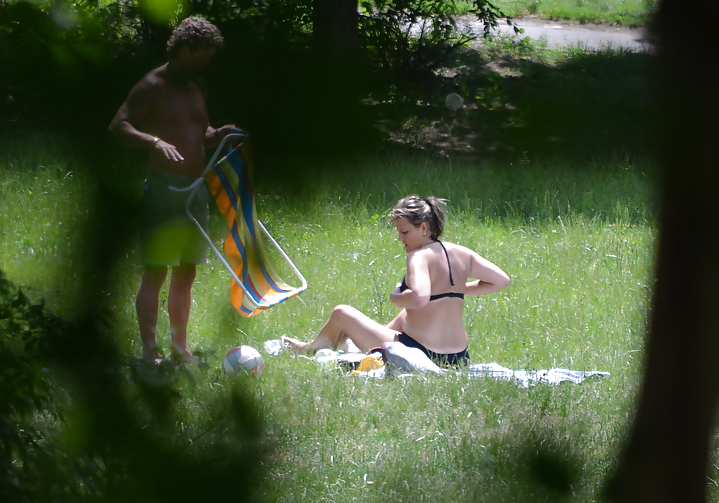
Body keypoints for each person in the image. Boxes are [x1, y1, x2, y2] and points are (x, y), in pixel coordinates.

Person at [108, 16, 241, 365]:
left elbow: (201, 131)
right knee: (156, 269)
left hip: (197, 190)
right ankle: (149, 350)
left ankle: (179, 349)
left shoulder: (198, 84)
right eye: (204, 55)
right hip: (164, 189)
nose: (209, 62)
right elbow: (117, 127)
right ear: (185, 50)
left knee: (187, 270)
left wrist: (221, 133)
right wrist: (153, 141)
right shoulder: (152, 84)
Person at [283, 196, 510, 366]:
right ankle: (360, 346)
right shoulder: (462, 252)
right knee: (405, 316)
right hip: (459, 358)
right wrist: (456, 291)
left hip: (421, 353)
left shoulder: (418, 256)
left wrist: (396, 297)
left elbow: (419, 298)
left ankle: (307, 350)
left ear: (423, 228)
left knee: (342, 313)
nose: (400, 239)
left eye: (404, 232)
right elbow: (501, 281)